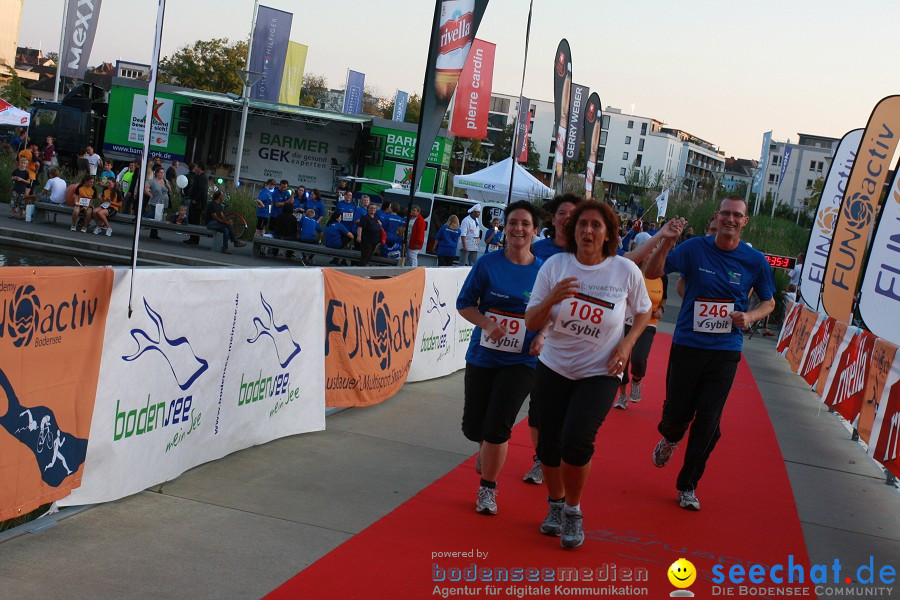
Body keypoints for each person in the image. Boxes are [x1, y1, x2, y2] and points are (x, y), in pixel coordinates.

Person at [524, 200, 656, 548]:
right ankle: (554, 503)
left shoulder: (625, 270)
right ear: (572, 230)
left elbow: (644, 311)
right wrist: (553, 296)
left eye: (596, 225)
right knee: (549, 445)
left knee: (577, 439)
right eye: (582, 224)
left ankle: (572, 510)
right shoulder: (555, 266)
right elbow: (531, 321)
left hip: (601, 370)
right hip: (555, 366)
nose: (587, 231)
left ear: (608, 233)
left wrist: (626, 345)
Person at [644, 195, 775, 511]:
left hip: (725, 350)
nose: (731, 219)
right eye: (726, 213)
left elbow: (769, 302)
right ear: (718, 216)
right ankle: (670, 437)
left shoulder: (755, 261)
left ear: (745, 221)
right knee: (677, 415)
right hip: (688, 345)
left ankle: (688, 485)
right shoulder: (694, 249)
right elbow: (651, 272)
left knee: (708, 423)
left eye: (737, 215)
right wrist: (665, 244)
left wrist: (750, 317)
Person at [456, 200, 545, 516]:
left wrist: (543, 336)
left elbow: (553, 313)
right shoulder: (488, 264)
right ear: (504, 228)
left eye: (525, 223)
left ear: (535, 230)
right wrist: (488, 324)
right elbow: (465, 304)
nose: (518, 228)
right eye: (512, 223)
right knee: (474, 427)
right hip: (483, 356)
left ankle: (487, 490)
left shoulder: (543, 270)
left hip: (521, 362)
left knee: (498, 426)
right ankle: (485, 446)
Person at [525, 193, 582, 485]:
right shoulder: (538, 249)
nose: (567, 218)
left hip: (565, 342)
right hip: (529, 333)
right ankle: (534, 456)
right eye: (562, 213)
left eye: (574, 214)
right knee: (530, 406)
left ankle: (548, 458)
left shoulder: (585, 254)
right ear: (553, 218)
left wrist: (661, 236)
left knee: (553, 409)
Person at [613, 234, 668, 409]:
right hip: (626, 320)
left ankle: (637, 380)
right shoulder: (631, 271)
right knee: (622, 359)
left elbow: (664, 298)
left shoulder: (661, 275)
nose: (651, 254)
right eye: (649, 250)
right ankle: (622, 396)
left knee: (639, 359)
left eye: (655, 251)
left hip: (649, 323)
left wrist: (661, 309)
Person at [185, 162, 208, 245]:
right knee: (192, 219)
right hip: (196, 201)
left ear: (200, 167)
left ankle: (194, 239)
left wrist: (196, 199)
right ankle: (193, 238)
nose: (195, 168)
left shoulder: (202, 177)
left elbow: (202, 190)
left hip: (197, 203)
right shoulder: (200, 176)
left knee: (194, 220)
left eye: (197, 167)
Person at [145, 166, 171, 240]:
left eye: (163, 172)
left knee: (159, 218)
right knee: (155, 217)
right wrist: (150, 195)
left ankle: (155, 232)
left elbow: (170, 191)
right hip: (155, 202)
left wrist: (169, 187)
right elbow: (146, 188)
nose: (162, 174)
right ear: (156, 173)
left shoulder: (166, 181)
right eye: (161, 172)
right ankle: (153, 233)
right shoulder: (152, 181)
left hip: (164, 203)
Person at [356, 201, 383, 266]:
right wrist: (359, 236)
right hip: (367, 240)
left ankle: (362, 268)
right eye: (371, 208)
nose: (373, 209)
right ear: (368, 209)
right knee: (365, 256)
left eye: (374, 208)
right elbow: (360, 227)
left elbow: (379, 224)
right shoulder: (365, 218)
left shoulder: (376, 217)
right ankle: (360, 270)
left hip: (375, 240)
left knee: (369, 256)